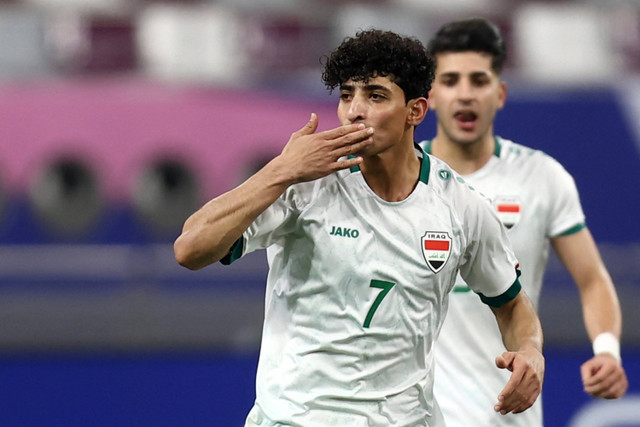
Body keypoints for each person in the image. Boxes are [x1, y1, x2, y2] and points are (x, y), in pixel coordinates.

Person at [174, 29, 544, 426]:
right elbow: (190, 249)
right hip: (295, 419)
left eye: (376, 96)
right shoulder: (302, 183)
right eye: (347, 95)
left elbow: (511, 304)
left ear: (415, 112)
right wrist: (280, 171)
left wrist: (530, 352)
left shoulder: (460, 207)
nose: (354, 111)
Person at [421, 18, 629, 427]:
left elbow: (592, 279)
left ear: (499, 94)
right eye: (450, 80)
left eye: (479, 80)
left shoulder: (542, 176)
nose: (465, 94)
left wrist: (607, 350)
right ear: (429, 95)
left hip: (507, 413)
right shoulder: (404, 179)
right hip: (417, 415)